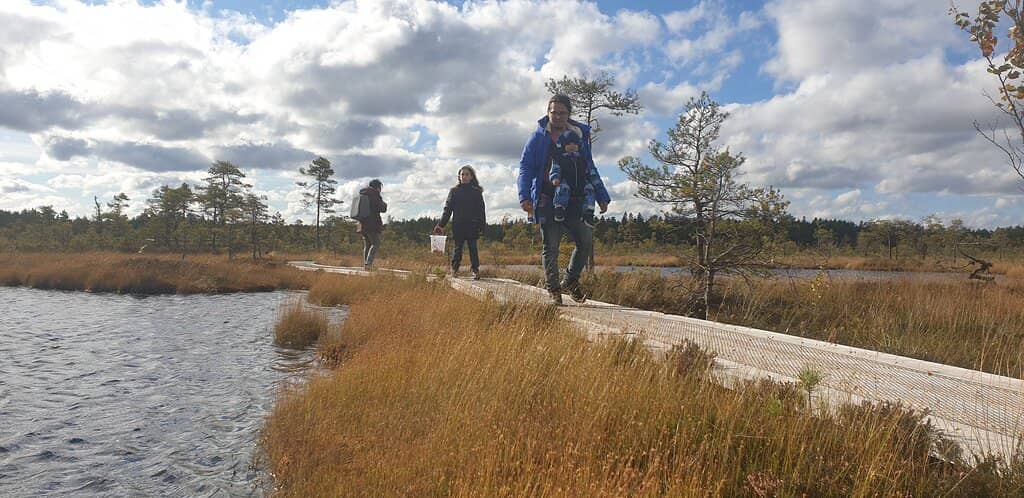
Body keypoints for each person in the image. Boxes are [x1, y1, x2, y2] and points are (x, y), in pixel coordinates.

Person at [518, 94, 610, 305]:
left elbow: (589, 167)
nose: (558, 116)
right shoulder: (538, 137)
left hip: (576, 200)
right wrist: (524, 196)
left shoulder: (578, 136)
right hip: (547, 197)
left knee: (585, 242)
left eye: (562, 113)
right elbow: (526, 167)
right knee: (551, 247)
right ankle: (553, 290)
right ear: (548, 113)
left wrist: (601, 196)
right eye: (554, 112)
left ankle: (570, 280)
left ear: (568, 114)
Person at [434, 165, 486, 280]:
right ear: (459, 176)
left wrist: (482, 225)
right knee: (458, 248)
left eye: (467, 174)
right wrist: (441, 224)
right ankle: (454, 269)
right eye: (462, 174)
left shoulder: (476, 192)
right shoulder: (454, 192)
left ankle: (475, 270)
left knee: (473, 248)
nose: (464, 176)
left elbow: (481, 210)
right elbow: (448, 209)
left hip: (472, 225)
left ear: (471, 177)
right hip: (458, 225)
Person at [549, 128, 602, 225]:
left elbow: (591, 172)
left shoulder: (583, 159)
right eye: (569, 144)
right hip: (566, 181)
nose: (572, 146)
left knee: (590, 190)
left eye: (574, 144)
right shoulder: (560, 158)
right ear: (564, 145)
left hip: (582, 182)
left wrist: (596, 184)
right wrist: (555, 178)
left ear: (579, 146)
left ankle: (588, 212)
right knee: (562, 189)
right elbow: (555, 168)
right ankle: (559, 208)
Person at [356, 179, 387, 270]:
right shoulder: (374, 195)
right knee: (376, 243)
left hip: (362, 224)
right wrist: (384, 204)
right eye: (380, 187)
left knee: (368, 244)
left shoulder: (363, 194)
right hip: (372, 223)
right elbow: (382, 208)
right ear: (377, 187)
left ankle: (366, 264)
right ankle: (368, 264)